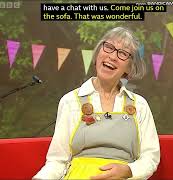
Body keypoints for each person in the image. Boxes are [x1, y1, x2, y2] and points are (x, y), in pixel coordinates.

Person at [33, 27, 160, 179]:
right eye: (109, 47)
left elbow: (150, 157)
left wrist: (128, 171)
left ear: (129, 67)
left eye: (123, 53)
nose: (112, 56)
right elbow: (57, 161)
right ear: (98, 52)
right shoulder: (70, 101)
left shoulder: (139, 105)